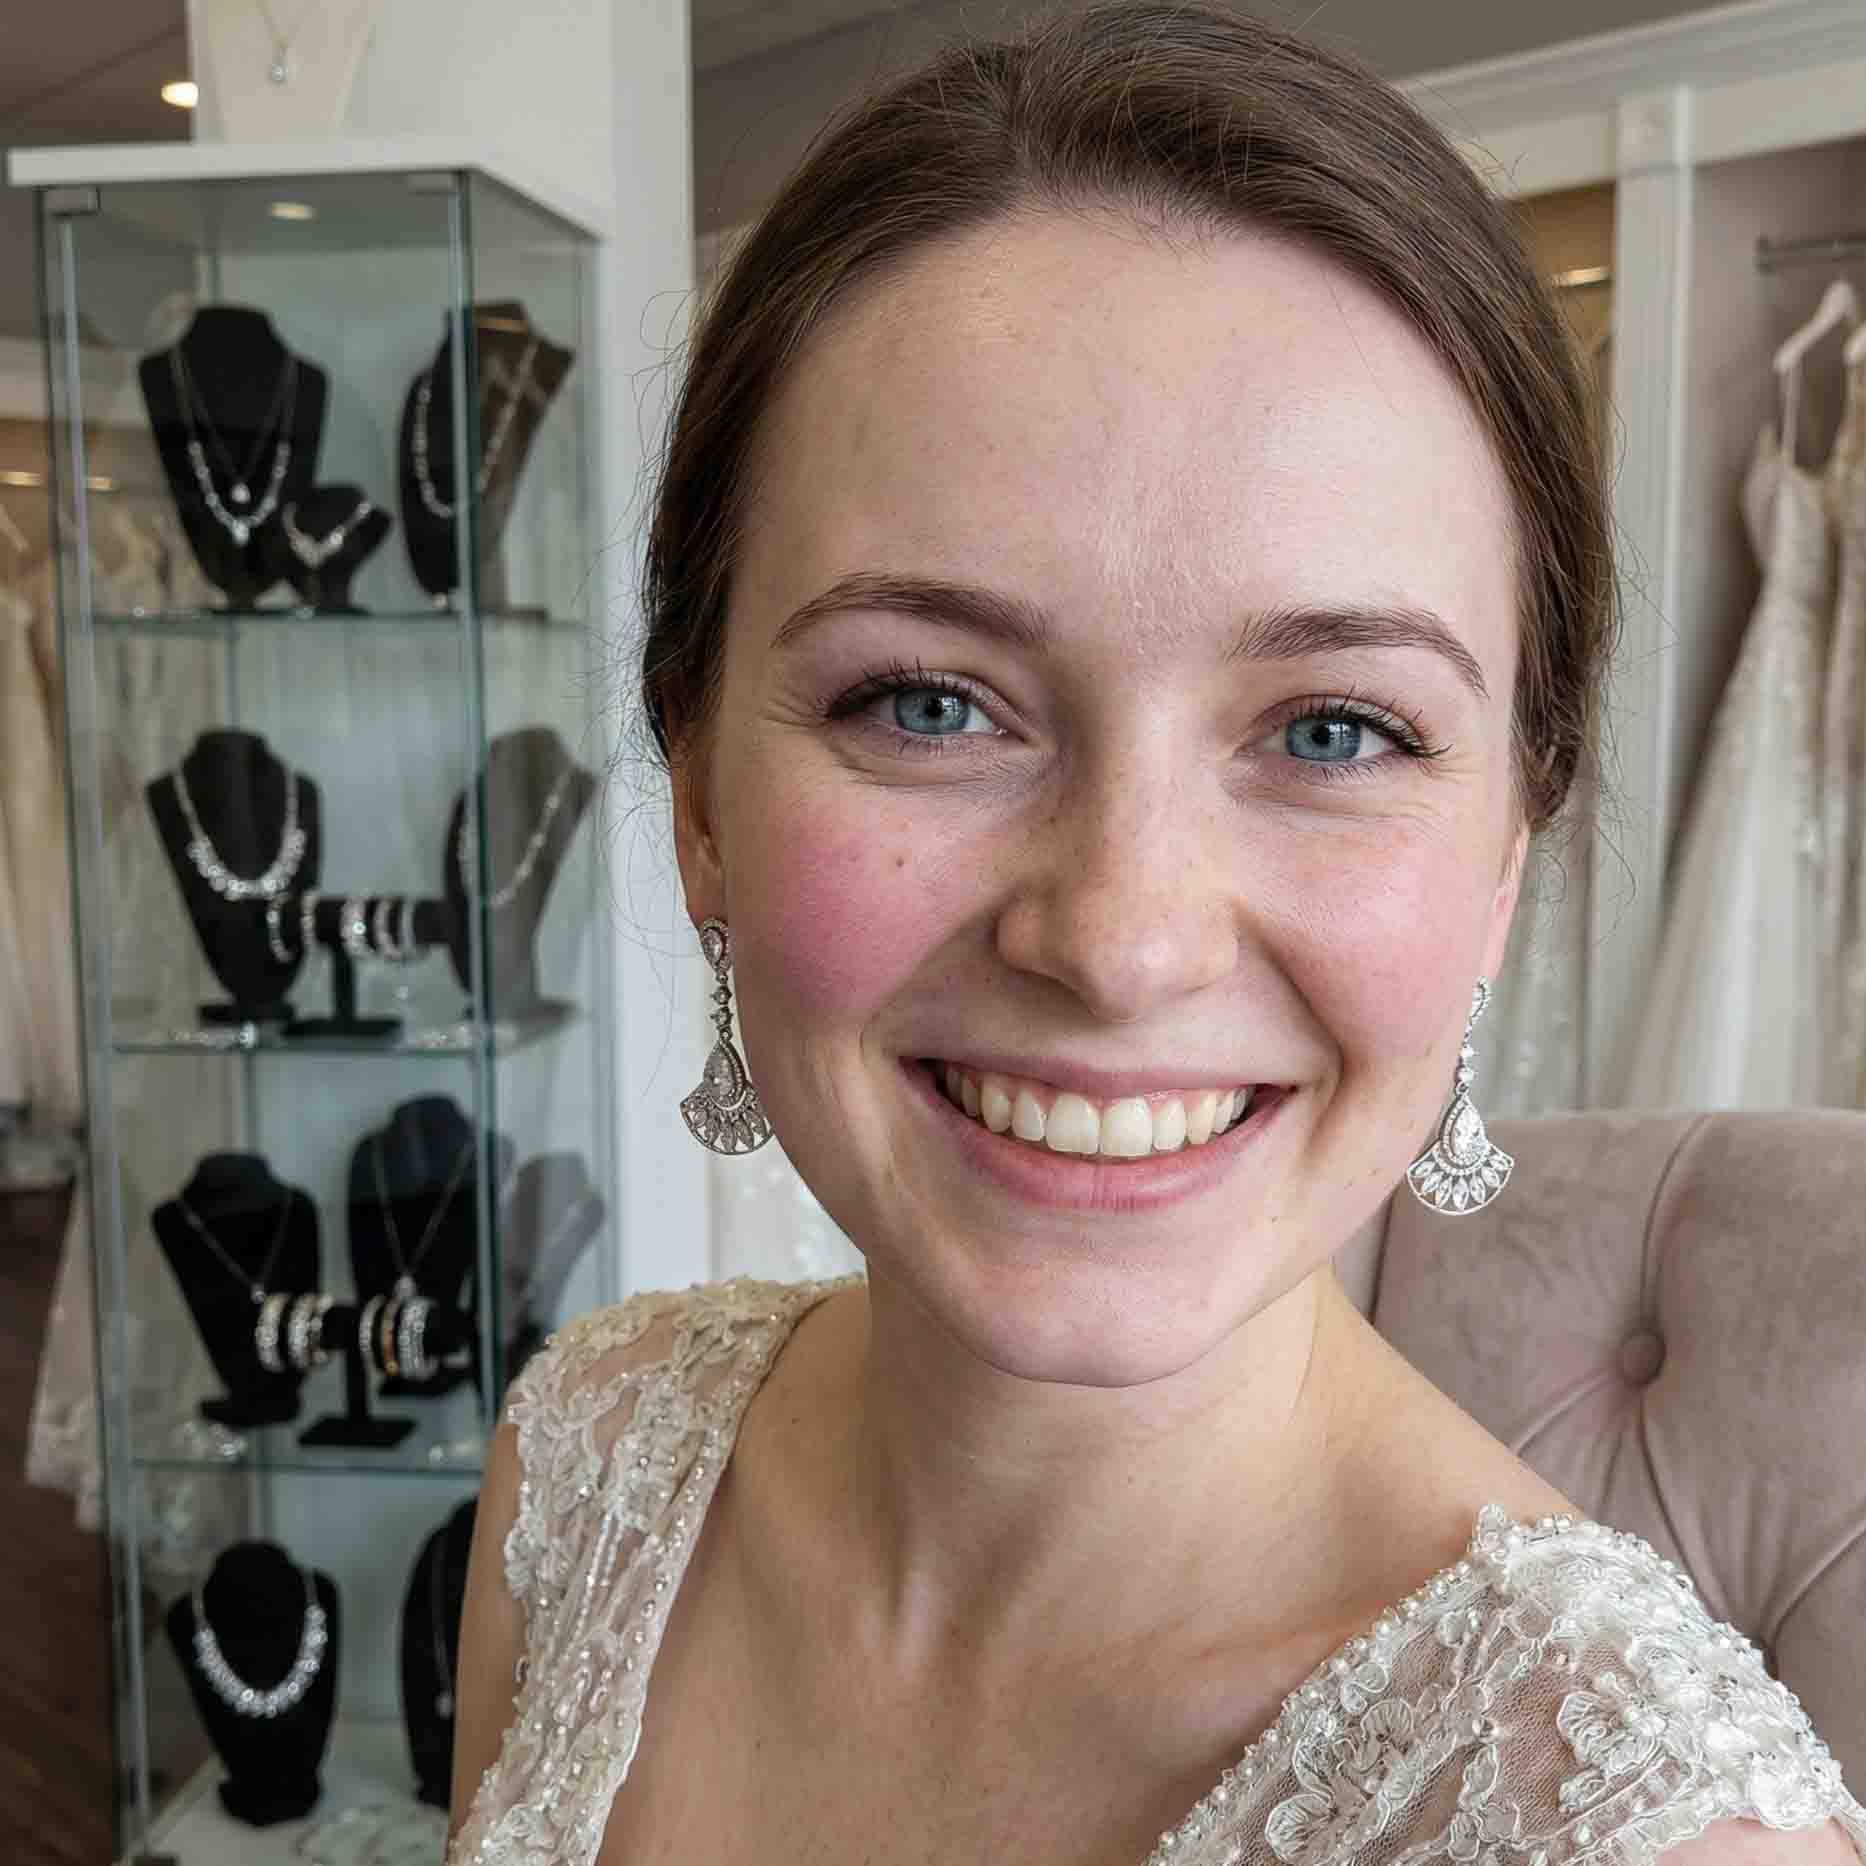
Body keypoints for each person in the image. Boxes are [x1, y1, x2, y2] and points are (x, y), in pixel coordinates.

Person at [444, 6, 1866, 1863]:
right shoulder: (585, 1460)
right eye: (928, 703)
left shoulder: (1651, 1836)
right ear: (698, 792)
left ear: (1504, 860)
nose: (1117, 940)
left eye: (1331, 731)